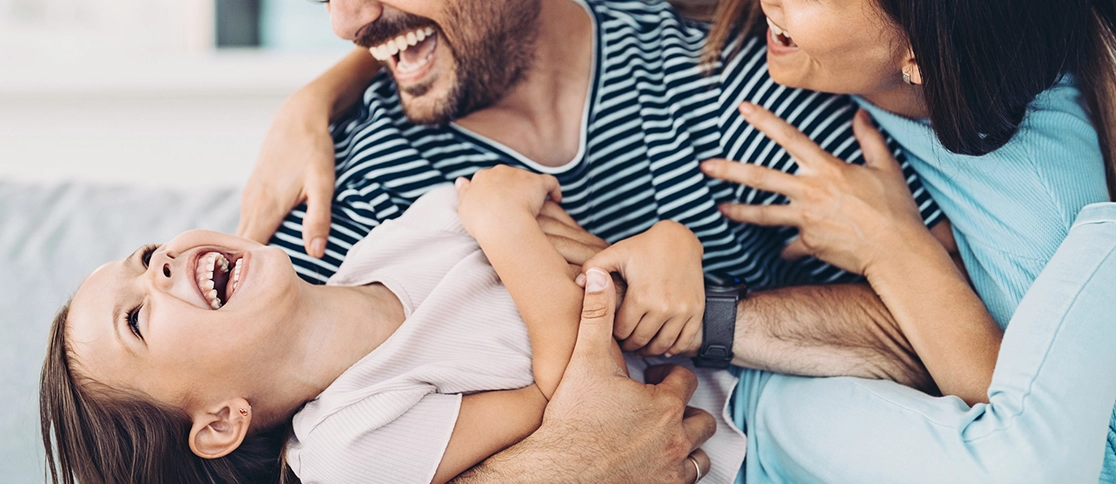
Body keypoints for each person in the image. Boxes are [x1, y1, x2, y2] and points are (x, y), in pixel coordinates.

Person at [241, 0, 1116, 481]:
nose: (344, 17)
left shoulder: (749, 63)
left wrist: (703, 314)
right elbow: (259, 446)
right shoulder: (345, 186)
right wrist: (560, 468)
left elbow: (946, 360)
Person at [39, 167, 739, 483]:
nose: (158, 267)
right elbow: (579, 407)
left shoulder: (408, 231)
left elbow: (604, 277)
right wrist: (500, 223)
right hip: (738, 458)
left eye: (144, 256)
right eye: (137, 318)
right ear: (221, 422)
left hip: (739, 380)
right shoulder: (346, 448)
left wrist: (668, 245)